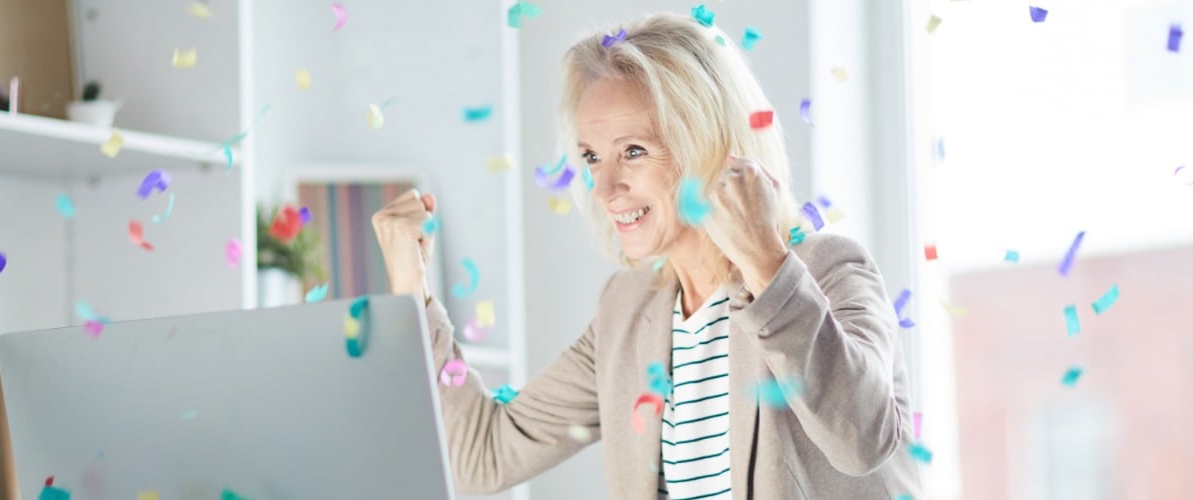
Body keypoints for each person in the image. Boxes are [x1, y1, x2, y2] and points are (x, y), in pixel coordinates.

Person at [372, 12, 923, 500]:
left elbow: (863, 440)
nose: (604, 187)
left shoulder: (827, 271)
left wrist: (767, 264)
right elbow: (483, 456)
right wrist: (411, 285)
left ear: (707, 143)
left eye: (633, 151)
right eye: (591, 157)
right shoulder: (628, 312)